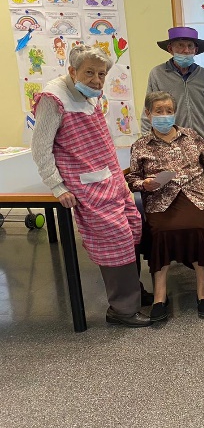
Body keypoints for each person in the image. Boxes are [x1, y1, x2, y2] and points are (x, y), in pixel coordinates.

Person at [31, 45, 151, 327]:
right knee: (116, 240)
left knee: (134, 226)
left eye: (102, 74)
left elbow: (102, 141)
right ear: (72, 71)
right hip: (86, 185)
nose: (97, 80)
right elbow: (40, 149)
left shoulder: (91, 96)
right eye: (89, 73)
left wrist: (121, 179)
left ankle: (133, 292)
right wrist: (57, 186)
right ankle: (122, 309)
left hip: (110, 178)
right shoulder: (53, 99)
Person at [126, 91, 204, 321]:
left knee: (196, 230)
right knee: (161, 233)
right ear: (148, 113)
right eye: (159, 111)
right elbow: (132, 178)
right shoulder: (141, 145)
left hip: (195, 194)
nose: (164, 115)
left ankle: (203, 293)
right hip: (160, 199)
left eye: (168, 111)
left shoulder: (190, 136)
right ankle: (159, 296)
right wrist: (145, 183)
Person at [143, 27, 204, 150]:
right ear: (170, 49)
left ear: (195, 50)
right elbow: (148, 111)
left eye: (190, 46)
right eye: (180, 45)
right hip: (172, 145)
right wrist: (148, 142)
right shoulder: (157, 74)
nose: (186, 50)